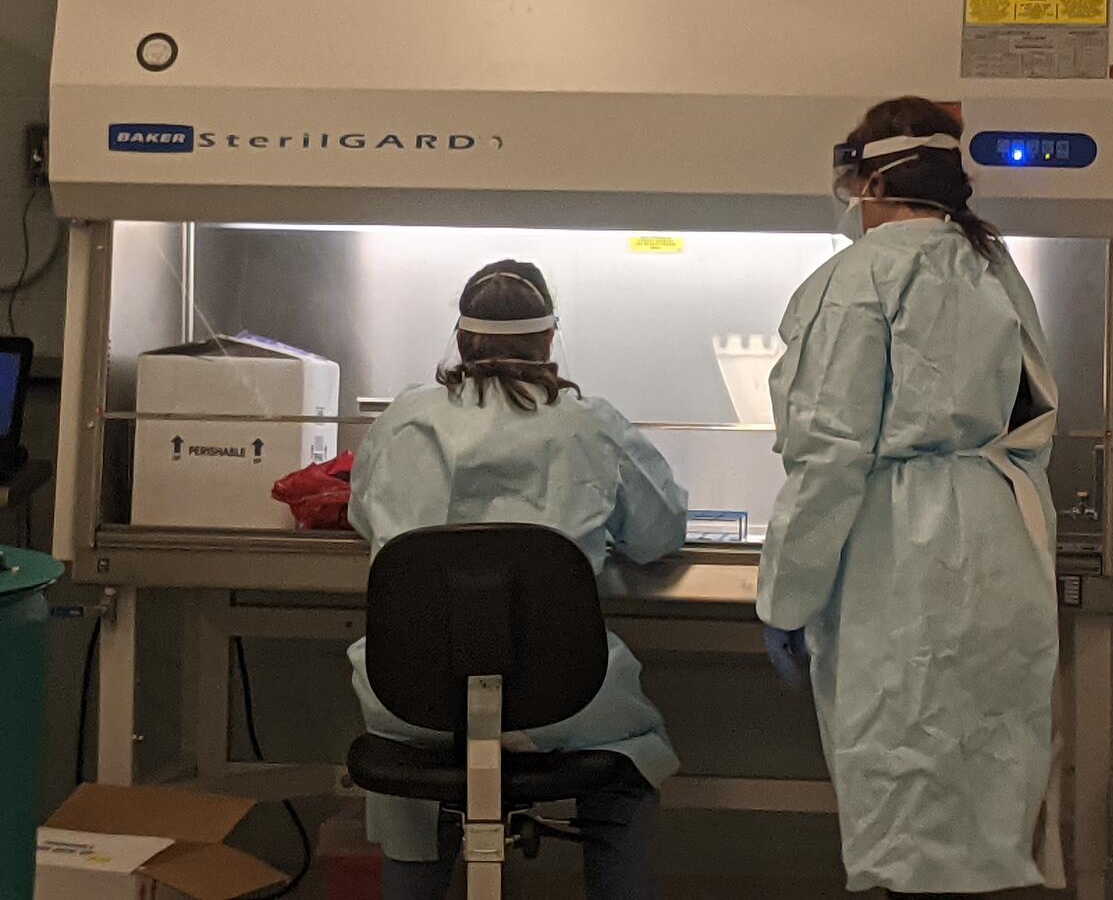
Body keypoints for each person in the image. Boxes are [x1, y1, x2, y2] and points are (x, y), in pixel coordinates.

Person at [759, 97, 1061, 898]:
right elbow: (1038, 412)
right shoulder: (991, 266)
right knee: (989, 800)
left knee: (900, 792)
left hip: (898, 552)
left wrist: (786, 597)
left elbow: (827, 452)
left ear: (870, 177)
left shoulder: (857, 275)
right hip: (1000, 536)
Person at [346, 259, 688, 900]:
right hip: (559, 703)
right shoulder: (590, 423)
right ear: (549, 339)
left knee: (414, 784)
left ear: (462, 338)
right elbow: (658, 536)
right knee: (629, 763)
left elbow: (365, 517)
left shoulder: (401, 421)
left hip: (412, 696)